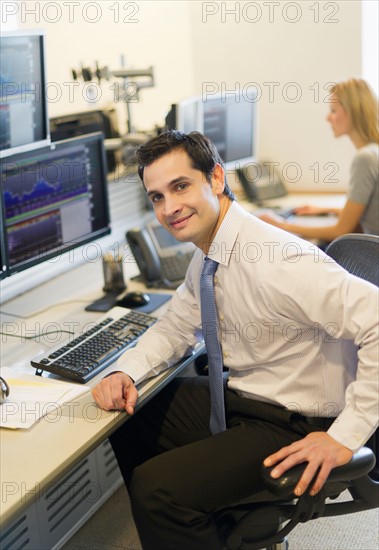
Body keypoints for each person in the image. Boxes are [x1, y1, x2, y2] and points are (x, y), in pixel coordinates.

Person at [92, 130, 378, 550]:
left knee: (157, 489)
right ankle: (202, 524)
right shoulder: (210, 253)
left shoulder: (278, 260)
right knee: (131, 415)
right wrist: (125, 372)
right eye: (156, 197)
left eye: (180, 186)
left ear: (216, 179)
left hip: (294, 419)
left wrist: (344, 436)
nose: (169, 208)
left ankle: (178, 511)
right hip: (250, 397)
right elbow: (175, 327)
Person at [259, 78, 379, 242]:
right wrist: (326, 209)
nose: (328, 118)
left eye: (333, 110)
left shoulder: (365, 158)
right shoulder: (374, 151)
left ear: (353, 112)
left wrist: (280, 225)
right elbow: (368, 212)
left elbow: (341, 230)